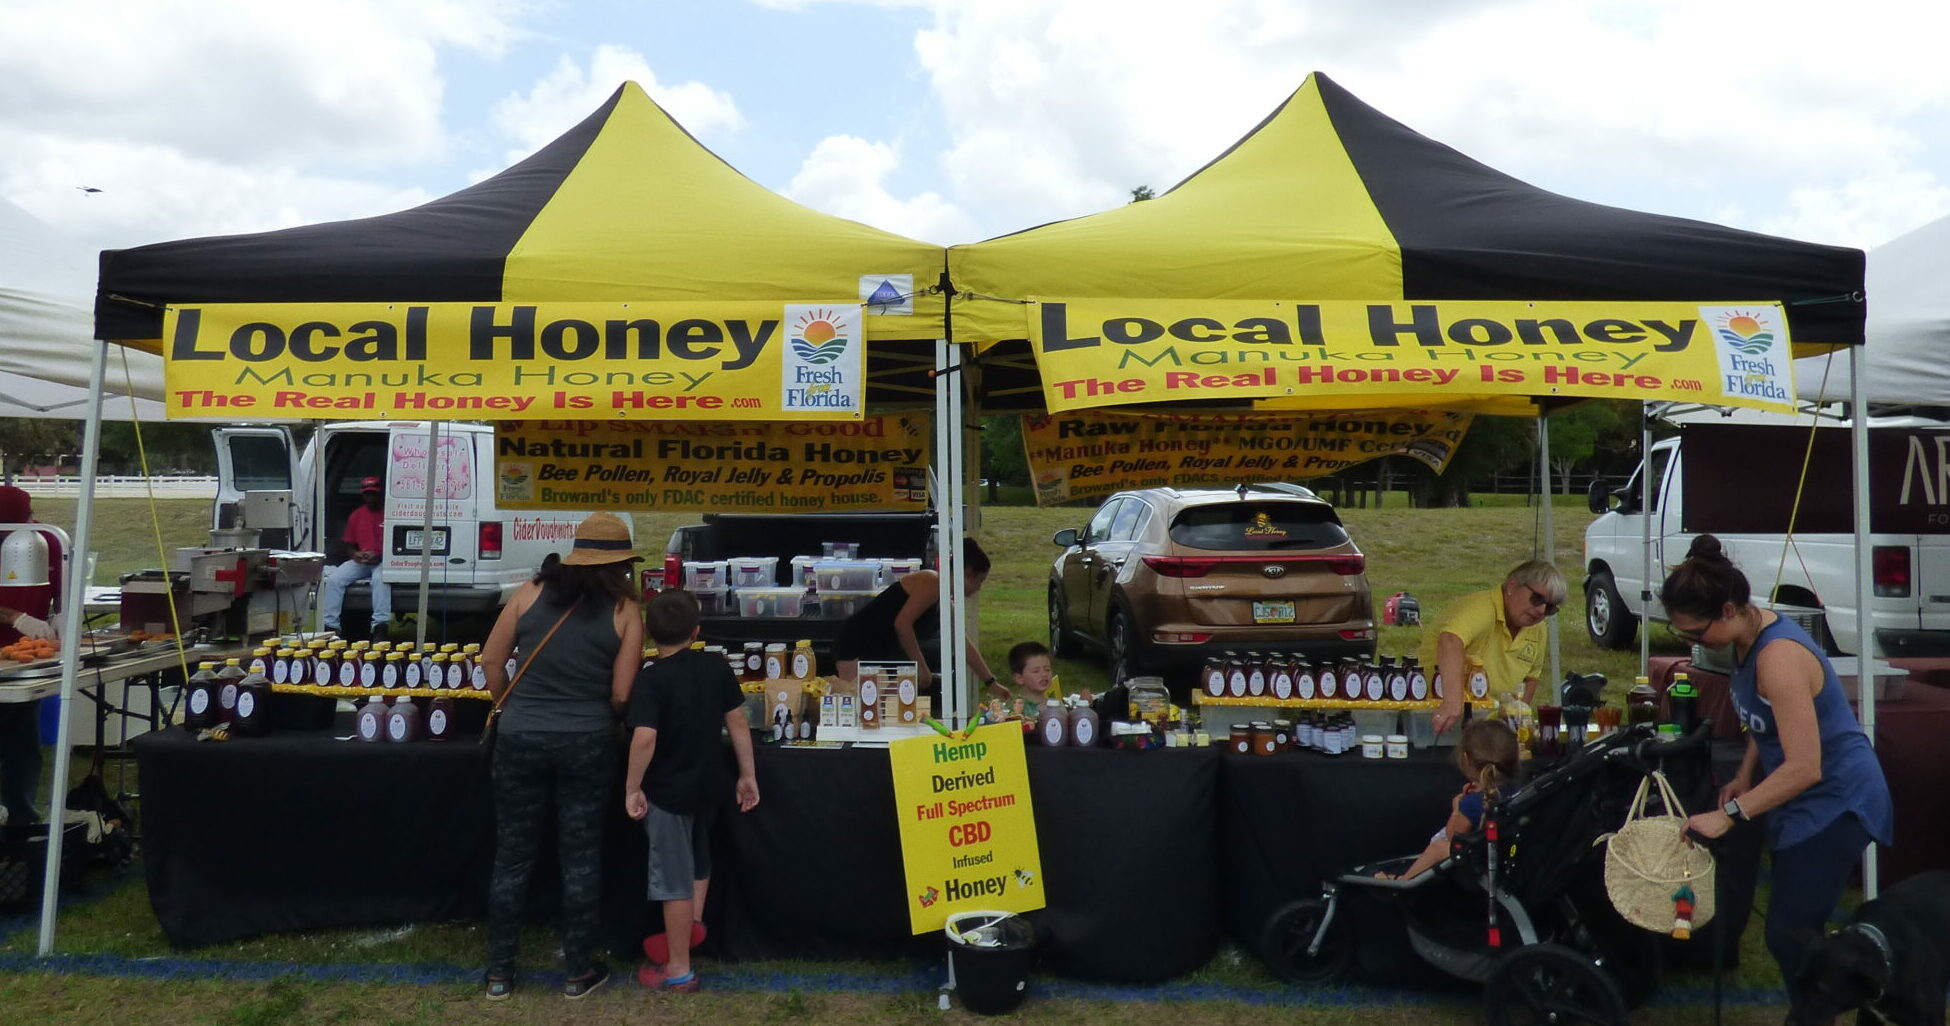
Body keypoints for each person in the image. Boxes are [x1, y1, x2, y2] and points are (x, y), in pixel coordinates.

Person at [1667, 534, 1892, 985]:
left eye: (1696, 632)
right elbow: (1768, 720)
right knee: (1792, 932)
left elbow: (1805, 765)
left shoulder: (1779, 659)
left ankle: (1828, 1007)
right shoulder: (1743, 639)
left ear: (1728, 610)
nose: (1694, 642)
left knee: (1790, 933)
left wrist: (1729, 815)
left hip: (1839, 796)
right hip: (1804, 791)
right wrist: (1747, 774)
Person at [478, 512, 645, 1001]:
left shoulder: (528, 592)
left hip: (520, 736)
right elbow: (620, 693)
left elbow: (490, 659)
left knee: (511, 857)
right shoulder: (626, 610)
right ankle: (577, 971)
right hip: (587, 740)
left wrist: (508, 704)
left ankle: (498, 973)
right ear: (621, 565)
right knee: (580, 857)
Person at [623, 589, 760, 994]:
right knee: (700, 859)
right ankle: (693, 927)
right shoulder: (716, 665)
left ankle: (679, 968)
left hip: (669, 794)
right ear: (697, 631)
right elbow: (737, 722)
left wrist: (632, 788)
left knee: (672, 880)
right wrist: (747, 775)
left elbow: (645, 739)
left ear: (649, 635)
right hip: (710, 787)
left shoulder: (650, 680)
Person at [833, 539, 998, 694]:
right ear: (968, 573)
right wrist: (921, 667)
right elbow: (902, 624)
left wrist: (991, 682)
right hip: (855, 642)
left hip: (877, 649)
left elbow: (962, 643)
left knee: (881, 708)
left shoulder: (944, 599)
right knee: (856, 703)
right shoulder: (933, 582)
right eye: (981, 581)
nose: (979, 588)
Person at [1422, 559, 1566, 735]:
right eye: (1537, 599)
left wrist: (1516, 721)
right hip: (1442, 721)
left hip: (1491, 728)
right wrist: (1452, 703)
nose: (1541, 611)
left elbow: (1531, 679)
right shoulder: (1482, 608)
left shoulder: (1538, 629)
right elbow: (1450, 640)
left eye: (1550, 608)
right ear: (1512, 586)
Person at [1382, 719, 1520, 880]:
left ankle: (1403, 882)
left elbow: (1453, 837)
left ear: (1467, 760)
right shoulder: (1517, 789)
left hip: (1480, 860)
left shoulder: (1472, 804)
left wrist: (1456, 810)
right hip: (1508, 855)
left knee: (1438, 848)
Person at [0, 484, 61, 827]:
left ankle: (22, 820)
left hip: (27, 660)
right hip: (7, 649)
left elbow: (61, 585)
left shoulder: (46, 542)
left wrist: (61, 615)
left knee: (22, 742)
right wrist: (16, 617)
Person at [319, 477, 391, 637]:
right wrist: (357, 555)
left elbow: (396, 546)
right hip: (363, 561)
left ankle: (380, 625)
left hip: (384, 561)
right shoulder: (356, 515)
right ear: (363, 495)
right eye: (368, 494)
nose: (371, 497)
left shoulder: (389, 514)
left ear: (380, 494)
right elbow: (350, 545)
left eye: (374, 494)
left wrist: (379, 556)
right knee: (334, 580)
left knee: (381, 580)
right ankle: (331, 627)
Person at [988, 640, 1064, 716]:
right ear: (1019, 678)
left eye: (1047, 669)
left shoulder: (1057, 707)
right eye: (1036, 671)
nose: (1044, 674)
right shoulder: (1013, 710)